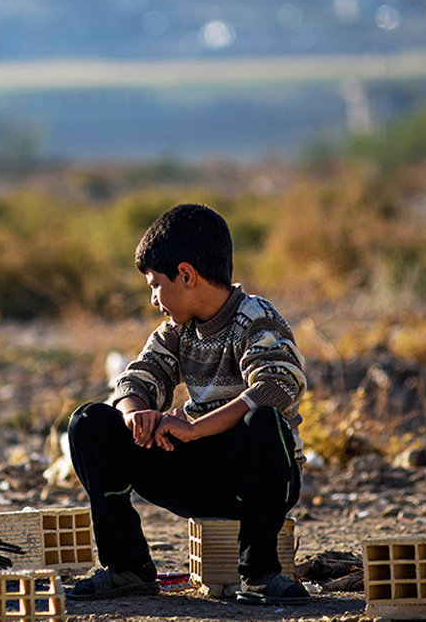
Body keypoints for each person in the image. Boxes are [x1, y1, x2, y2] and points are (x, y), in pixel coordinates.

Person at [66, 203, 309, 605]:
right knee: (90, 421)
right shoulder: (176, 332)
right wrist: (135, 415)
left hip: (258, 482)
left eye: (154, 285)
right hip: (196, 476)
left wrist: (195, 428)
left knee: (263, 422)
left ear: (186, 275)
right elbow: (137, 378)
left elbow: (278, 386)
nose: (154, 300)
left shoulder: (255, 318)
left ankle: (261, 574)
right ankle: (127, 567)